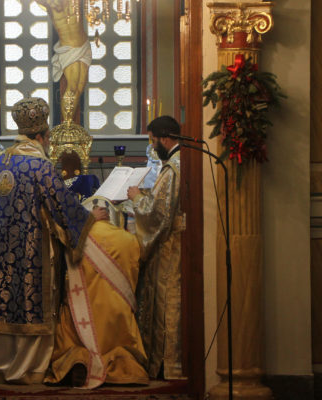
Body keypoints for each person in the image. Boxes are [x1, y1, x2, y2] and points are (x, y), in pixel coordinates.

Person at [0, 97, 109, 384]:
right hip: (30, 252)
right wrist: (90, 217)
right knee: (28, 303)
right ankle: (28, 369)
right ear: (42, 136)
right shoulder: (40, 165)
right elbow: (62, 207)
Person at [44, 198, 149, 389]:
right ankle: (123, 365)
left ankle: (78, 360)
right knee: (123, 347)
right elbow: (136, 273)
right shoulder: (129, 240)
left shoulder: (73, 239)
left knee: (70, 339)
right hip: (117, 318)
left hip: (80, 317)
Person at [127, 115, 185, 380]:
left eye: (153, 141)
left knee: (167, 300)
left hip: (170, 246)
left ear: (165, 138)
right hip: (174, 242)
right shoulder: (179, 162)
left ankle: (168, 363)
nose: (152, 146)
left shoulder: (173, 167)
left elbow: (156, 214)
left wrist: (136, 197)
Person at [36, 0, 91, 121]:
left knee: (79, 89)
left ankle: (70, 123)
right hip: (69, 49)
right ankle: (66, 125)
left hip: (84, 46)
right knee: (72, 88)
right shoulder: (50, 2)